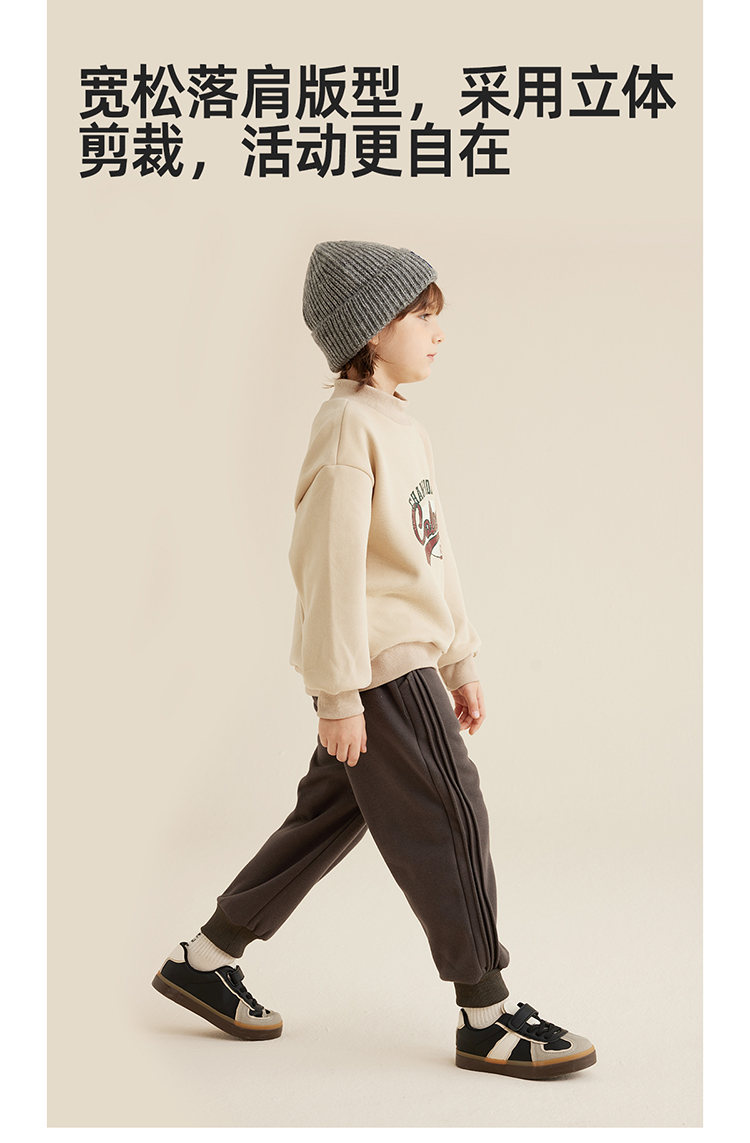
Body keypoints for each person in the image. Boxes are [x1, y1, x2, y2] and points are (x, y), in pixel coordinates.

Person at [152, 240, 596, 1080]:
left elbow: (432, 555)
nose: (439, 332)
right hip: (381, 666)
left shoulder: (401, 426)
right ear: (371, 330)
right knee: (453, 813)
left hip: (407, 655)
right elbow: (328, 567)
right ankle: (486, 1014)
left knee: (329, 815)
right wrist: (337, 692)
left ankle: (205, 959)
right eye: (422, 316)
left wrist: (461, 656)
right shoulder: (347, 427)